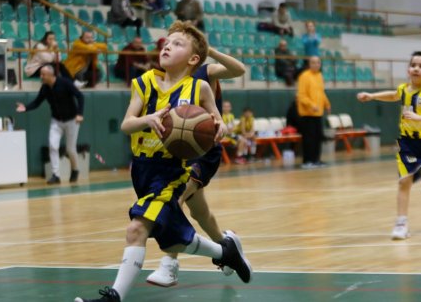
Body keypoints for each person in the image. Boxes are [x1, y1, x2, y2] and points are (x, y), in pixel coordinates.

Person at [74, 21, 251, 302]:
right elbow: (126, 124)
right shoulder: (143, 83)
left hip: (172, 171)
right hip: (142, 169)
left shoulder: (200, 87)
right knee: (177, 236)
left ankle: (115, 296)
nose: (167, 45)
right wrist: (148, 119)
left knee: (138, 228)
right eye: (166, 42)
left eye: (178, 43)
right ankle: (224, 252)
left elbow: (218, 121)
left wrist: (220, 127)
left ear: (194, 58)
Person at [145, 47, 247, 287]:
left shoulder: (205, 72)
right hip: (180, 154)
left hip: (204, 152)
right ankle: (227, 247)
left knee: (175, 199)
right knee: (200, 212)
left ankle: (169, 264)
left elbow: (239, 69)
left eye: (179, 43)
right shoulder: (165, 81)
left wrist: (210, 51)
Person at [357, 51, 421, 240]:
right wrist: (372, 96)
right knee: (405, 180)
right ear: (408, 69)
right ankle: (401, 223)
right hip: (408, 143)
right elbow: (393, 95)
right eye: (413, 65)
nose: (416, 69)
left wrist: (420, 118)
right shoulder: (403, 89)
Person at [15, 65, 84, 185]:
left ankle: (75, 169)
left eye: (43, 74)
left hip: (72, 120)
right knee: (53, 146)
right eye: (41, 74)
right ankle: (56, 175)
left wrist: (80, 113)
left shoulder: (65, 83)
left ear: (51, 75)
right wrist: (25, 107)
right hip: (56, 121)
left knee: (70, 149)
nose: (41, 76)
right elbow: (37, 102)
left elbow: (80, 96)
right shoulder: (45, 88)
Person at [297, 56, 330, 169]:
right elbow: (301, 96)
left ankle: (316, 160)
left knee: (318, 138)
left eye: (318, 63)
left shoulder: (320, 76)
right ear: (309, 64)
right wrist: (311, 105)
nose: (316, 64)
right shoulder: (304, 76)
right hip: (307, 114)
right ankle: (307, 161)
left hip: (318, 114)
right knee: (309, 139)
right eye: (313, 62)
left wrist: (327, 104)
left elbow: (321, 92)